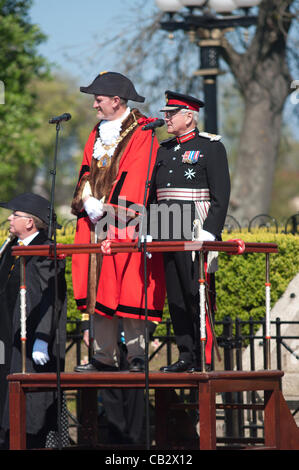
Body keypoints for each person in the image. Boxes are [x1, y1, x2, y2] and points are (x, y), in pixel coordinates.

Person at [71, 71, 165, 373]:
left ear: (115, 100)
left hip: (125, 221)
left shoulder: (142, 132)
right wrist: (87, 201)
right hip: (94, 220)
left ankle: (137, 356)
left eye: (98, 100)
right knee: (97, 285)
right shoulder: (96, 132)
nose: (94, 106)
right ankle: (102, 356)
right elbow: (86, 169)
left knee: (129, 285)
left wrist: (109, 208)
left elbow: (139, 176)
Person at [150, 90, 231, 373]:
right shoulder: (163, 149)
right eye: (166, 113)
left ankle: (204, 355)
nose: (166, 118)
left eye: (171, 114)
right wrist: (150, 229)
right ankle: (186, 353)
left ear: (189, 116)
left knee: (197, 293)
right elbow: (154, 195)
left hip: (196, 228)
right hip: (166, 228)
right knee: (176, 296)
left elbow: (221, 195)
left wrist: (211, 231)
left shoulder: (211, 147)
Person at [0, 192, 68, 449]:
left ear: (30, 222)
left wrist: (41, 338)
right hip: (7, 338)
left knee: (31, 412)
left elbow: (52, 297)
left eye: (14, 215)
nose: (9, 218)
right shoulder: (12, 247)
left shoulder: (44, 251)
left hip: (31, 341)